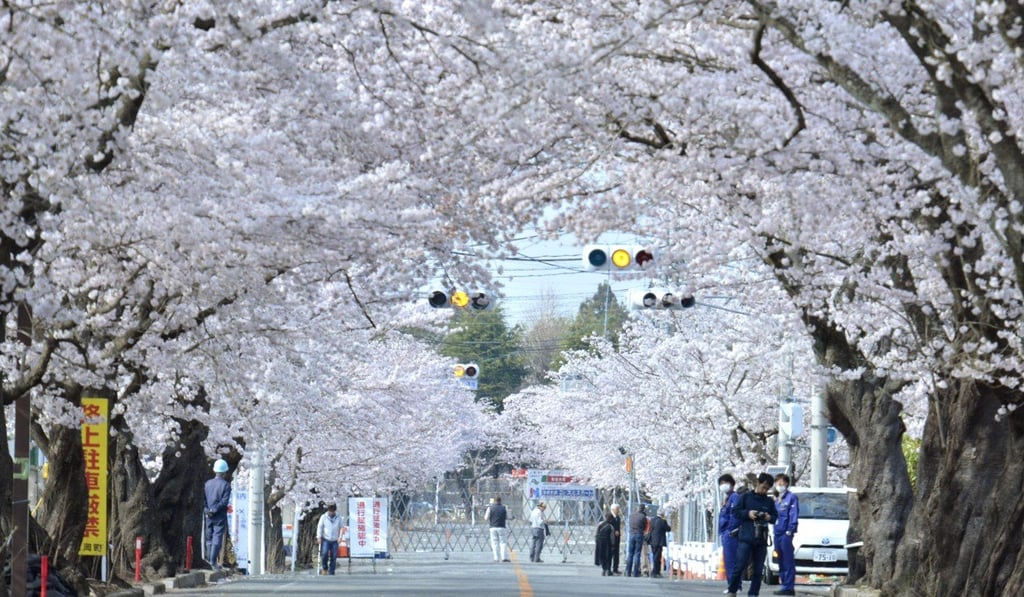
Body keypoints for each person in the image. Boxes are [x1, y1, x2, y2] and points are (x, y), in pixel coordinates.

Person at [726, 473, 778, 597]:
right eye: (763, 487)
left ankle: (753, 593)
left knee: (758, 569)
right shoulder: (745, 497)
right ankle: (732, 590)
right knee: (739, 566)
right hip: (746, 537)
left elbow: (775, 517)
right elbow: (735, 512)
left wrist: (768, 517)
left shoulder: (769, 501)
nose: (764, 490)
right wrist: (748, 514)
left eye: (767, 489)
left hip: (761, 539)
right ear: (758, 483)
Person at [773, 474, 799, 596]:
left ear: (787, 484)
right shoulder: (776, 499)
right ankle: (784, 584)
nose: (780, 486)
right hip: (777, 533)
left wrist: (791, 529)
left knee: (787, 559)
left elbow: (793, 514)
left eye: (782, 483)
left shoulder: (791, 498)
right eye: (778, 483)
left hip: (786, 533)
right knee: (780, 559)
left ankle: (789, 586)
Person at [204, 459, 232, 570]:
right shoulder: (226, 485)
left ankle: (209, 561)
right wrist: (214, 509)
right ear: (224, 472)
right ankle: (212, 562)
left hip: (208, 515)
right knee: (217, 537)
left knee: (209, 536)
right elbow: (224, 502)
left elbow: (204, 499)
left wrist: (207, 510)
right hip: (219, 515)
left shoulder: (207, 484)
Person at [718, 474, 741, 592]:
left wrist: (730, 530)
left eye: (726, 483)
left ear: (732, 484)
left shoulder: (735, 497)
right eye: (721, 484)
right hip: (726, 533)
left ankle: (734, 586)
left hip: (731, 533)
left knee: (731, 560)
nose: (723, 486)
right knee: (728, 560)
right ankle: (733, 585)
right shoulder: (727, 499)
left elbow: (735, 515)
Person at [316, 503, 345, 575]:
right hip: (326, 539)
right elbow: (320, 527)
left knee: (334, 556)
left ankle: (331, 571)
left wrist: (340, 537)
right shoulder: (324, 517)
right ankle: (325, 568)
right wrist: (319, 537)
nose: (331, 512)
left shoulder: (338, 517)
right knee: (325, 553)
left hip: (335, 540)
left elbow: (341, 527)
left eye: (333, 511)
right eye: (330, 511)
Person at [484, 497, 510, 562]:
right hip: (502, 527)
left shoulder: (490, 508)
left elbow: (486, 518)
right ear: (501, 501)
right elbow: (508, 517)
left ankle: (496, 558)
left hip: (492, 527)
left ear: (494, 501)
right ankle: (504, 558)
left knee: (494, 543)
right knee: (503, 543)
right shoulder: (504, 507)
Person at [625, 503, 647, 577]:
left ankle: (628, 571)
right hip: (639, 534)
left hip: (631, 534)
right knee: (637, 553)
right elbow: (644, 527)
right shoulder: (643, 517)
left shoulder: (631, 515)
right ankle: (636, 572)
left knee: (630, 553)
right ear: (643, 509)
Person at [647, 509, 671, 578]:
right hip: (659, 541)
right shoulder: (663, 521)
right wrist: (666, 521)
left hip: (652, 541)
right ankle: (655, 571)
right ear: (662, 514)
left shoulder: (652, 520)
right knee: (657, 557)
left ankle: (656, 571)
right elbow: (668, 529)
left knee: (654, 555)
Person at [608, 503, 623, 574]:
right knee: (610, 553)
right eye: (617, 509)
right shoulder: (609, 517)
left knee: (616, 554)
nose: (618, 511)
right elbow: (608, 526)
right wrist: (614, 531)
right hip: (611, 538)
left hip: (617, 538)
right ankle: (608, 568)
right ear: (613, 509)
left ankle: (615, 568)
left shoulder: (618, 517)